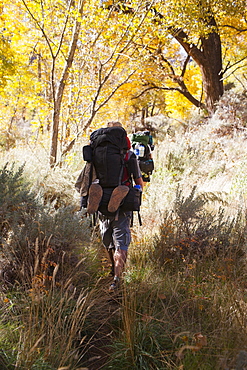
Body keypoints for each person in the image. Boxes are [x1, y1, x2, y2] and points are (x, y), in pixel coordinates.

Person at [87, 121, 143, 291]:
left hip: (101, 200)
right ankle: (117, 278)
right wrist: (137, 191)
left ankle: (112, 269)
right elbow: (139, 181)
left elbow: (89, 174)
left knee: (107, 239)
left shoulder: (98, 154)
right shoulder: (128, 156)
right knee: (121, 242)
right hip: (122, 203)